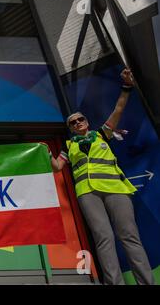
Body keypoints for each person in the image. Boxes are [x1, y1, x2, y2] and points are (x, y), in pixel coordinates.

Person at [47, 68, 154, 285]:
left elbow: (119, 109)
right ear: (70, 128)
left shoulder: (101, 134)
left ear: (86, 121)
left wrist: (126, 87)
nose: (77, 123)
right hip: (88, 193)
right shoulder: (68, 146)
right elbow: (57, 166)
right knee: (103, 238)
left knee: (130, 237)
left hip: (116, 189)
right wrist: (46, 154)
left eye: (80, 119)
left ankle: (146, 282)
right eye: (73, 122)